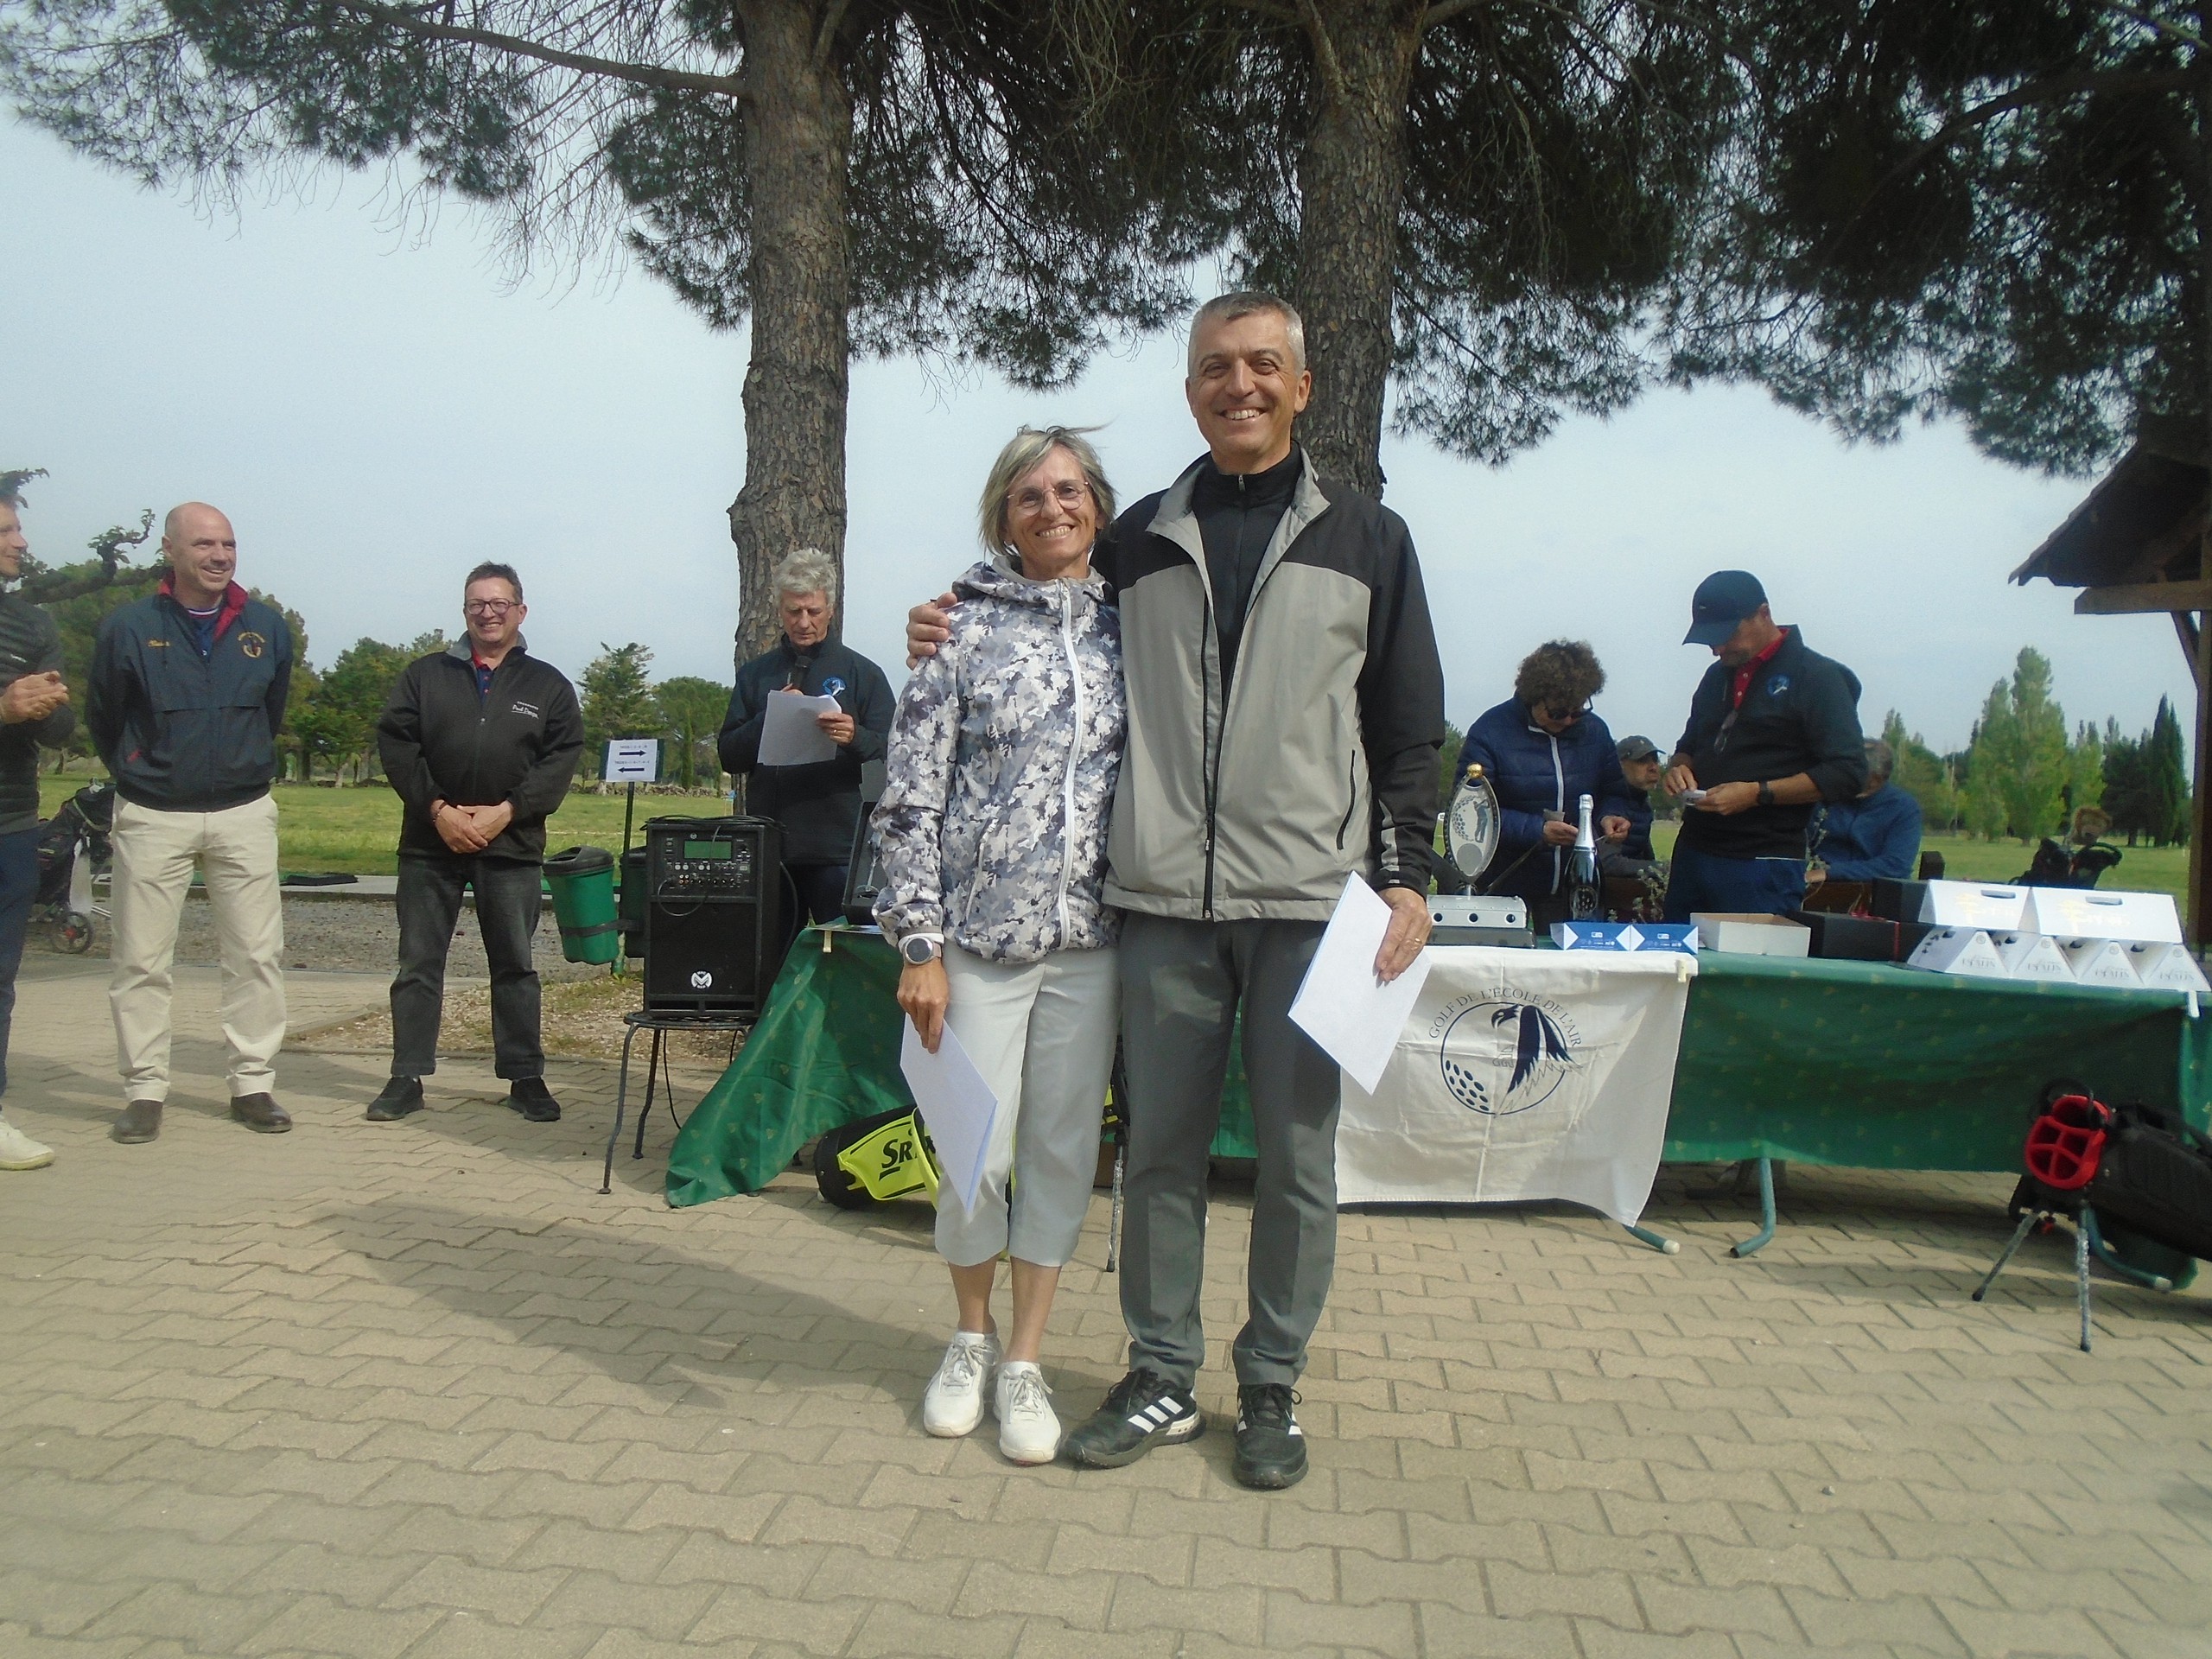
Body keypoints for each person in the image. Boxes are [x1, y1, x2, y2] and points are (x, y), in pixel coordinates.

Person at [910, 291, 1444, 1489]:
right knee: (1158, 1154)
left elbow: (1408, 726)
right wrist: (939, 619)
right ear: (1191, 390)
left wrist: (1407, 875)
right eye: (1214, 367)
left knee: (1297, 1162)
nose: (1237, 385)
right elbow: (1031, 596)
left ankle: (1272, 1384)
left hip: (1308, 905)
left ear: (1301, 387)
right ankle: (1159, 1373)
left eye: (1261, 365)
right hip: (1157, 909)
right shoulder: (1138, 540)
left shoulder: (1370, 540)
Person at [874, 425, 1126, 1467]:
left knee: (1062, 1157)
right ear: (1002, 517)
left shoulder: (1131, 630)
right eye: (1029, 495)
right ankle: (969, 1337)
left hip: (1093, 947)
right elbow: (909, 799)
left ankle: (1025, 1359)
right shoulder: (958, 632)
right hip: (977, 945)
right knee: (971, 1153)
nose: (1051, 508)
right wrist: (918, 942)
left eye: (1068, 491)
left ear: (1096, 506)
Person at [88, 503, 296, 1143]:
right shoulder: (128, 626)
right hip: (154, 813)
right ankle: (145, 1091)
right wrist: (139, 767)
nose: (219, 556)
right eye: (204, 544)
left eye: (228, 544)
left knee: (256, 956)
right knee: (141, 960)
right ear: (171, 550)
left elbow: (271, 709)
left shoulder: (266, 626)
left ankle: (252, 1082)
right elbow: (105, 715)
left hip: (243, 811)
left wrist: (240, 762)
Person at [367, 563, 584, 1124]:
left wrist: (506, 812)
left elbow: (559, 759)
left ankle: (524, 1077)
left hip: (510, 845)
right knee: (418, 964)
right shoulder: (425, 676)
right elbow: (397, 746)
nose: (488, 613)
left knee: (515, 965)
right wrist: (437, 809)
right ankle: (406, 1076)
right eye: (477, 604)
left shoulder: (548, 686)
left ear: (520, 611)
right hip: (430, 843)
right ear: (465, 611)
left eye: (499, 603)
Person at [1662, 570, 1867, 920]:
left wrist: (1756, 793)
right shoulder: (1715, 677)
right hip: (1694, 851)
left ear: (1763, 614)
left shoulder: (1818, 678)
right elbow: (1690, 744)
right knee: (1676, 954)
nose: (1717, 648)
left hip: (1763, 861)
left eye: (1727, 635)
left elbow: (1847, 772)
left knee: (1748, 957)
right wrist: (1679, 768)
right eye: (1710, 639)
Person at [719, 549, 894, 932]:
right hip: (771, 846)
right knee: (773, 955)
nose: (803, 622)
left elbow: (895, 752)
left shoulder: (863, 674)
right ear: (779, 610)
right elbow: (729, 756)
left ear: (830, 609)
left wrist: (854, 736)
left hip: (838, 849)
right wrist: (769, 717)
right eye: (793, 611)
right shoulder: (756, 675)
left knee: (844, 954)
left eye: (813, 611)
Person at [1455, 641, 1633, 929]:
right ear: (1533, 697)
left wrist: (1610, 816)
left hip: (1574, 888)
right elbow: (1470, 811)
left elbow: (1613, 791)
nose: (1569, 720)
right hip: (1504, 887)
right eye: (1558, 713)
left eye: (1578, 711)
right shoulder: (1490, 732)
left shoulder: (1595, 732)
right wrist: (1536, 830)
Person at [0, 496, 75, 1172]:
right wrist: (3, 706)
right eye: (6, 530)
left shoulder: (31, 622)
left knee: (1, 978)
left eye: (19, 527)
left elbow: (60, 730)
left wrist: (46, 707)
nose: (21, 542)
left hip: (13, 825)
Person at [1809, 739, 1923, 883]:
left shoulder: (1904, 807)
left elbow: (1896, 865)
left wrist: (1831, 872)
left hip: (1876, 890)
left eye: (1852, 772)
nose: (1843, 776)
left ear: (1875, 779)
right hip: (1817, 886)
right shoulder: (1824, 797)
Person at [1610, 734, 1662, 866]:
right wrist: (1661, 868)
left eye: (1655, 760)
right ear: (1620, 765)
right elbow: (1607, 863)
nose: (1653, 768)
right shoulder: (1609, 805)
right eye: (1642, 761)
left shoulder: (1642, 802)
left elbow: (1644, 850)